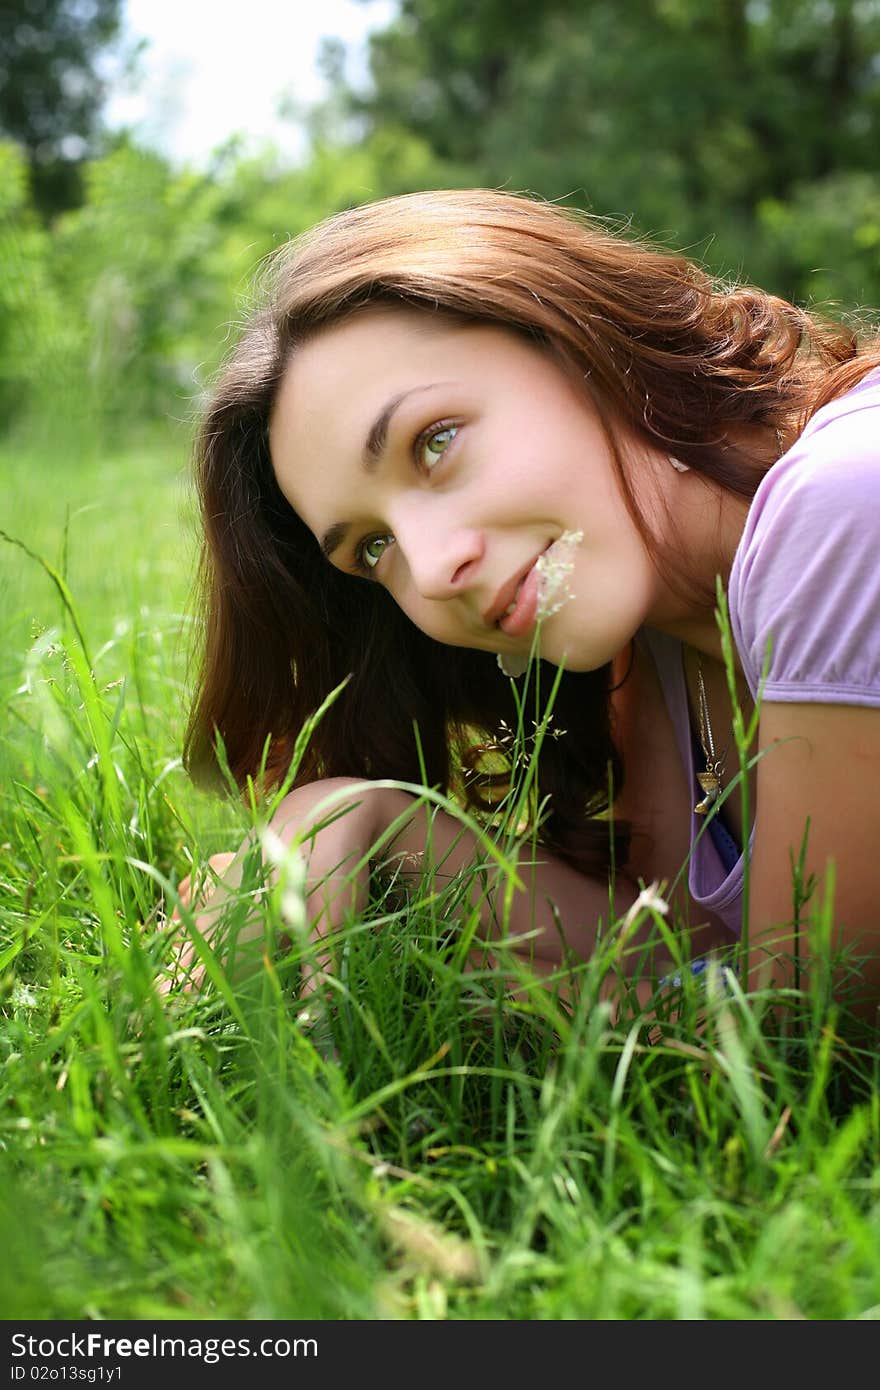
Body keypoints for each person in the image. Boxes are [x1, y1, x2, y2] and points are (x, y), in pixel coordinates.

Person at [168, 187, 880, 1029]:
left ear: (574, 342)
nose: (432, 571)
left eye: (435, 442)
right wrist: (368, 816)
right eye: (372, 548)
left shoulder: (845, 500)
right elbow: (671, 941)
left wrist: (481, 995)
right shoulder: (667, 635)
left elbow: (802, 1022)